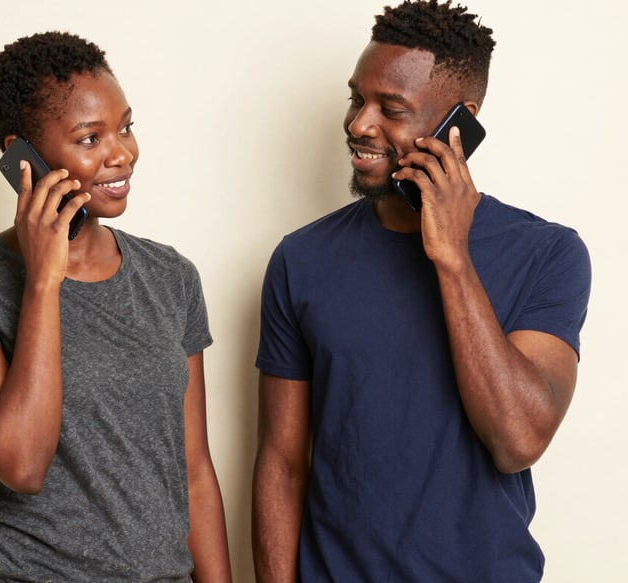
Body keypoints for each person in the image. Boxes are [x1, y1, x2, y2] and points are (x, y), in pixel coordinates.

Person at [252, 1, 591, 581]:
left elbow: (518, 439)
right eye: (357, 98)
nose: (359, 124)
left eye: (392, 109)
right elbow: (281, 465)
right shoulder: (301, 259)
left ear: (460, 121)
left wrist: (452, 259)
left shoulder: (549, 254)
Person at [0, 31, 232, 583]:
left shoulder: (170, 277)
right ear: (24, 157)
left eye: (126, 127)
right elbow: (21, 464)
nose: (121, 153)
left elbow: (195, 469)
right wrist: (43, 281)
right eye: (90, 138)